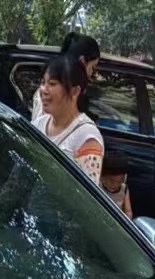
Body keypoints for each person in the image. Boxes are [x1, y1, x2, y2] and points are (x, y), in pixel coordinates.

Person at [32, 52, 103, 182]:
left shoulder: (87, 137)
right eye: (43, 82)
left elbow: (86, 191)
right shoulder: (37, 125)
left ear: (75, 91)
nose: (43, 90)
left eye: (52, 83)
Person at [30, 31, 99, 119]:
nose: (92, 73)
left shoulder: (70, 93)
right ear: (82, 61)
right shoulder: (54, 93)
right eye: (93, 67)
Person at [100, 150, 132, 217]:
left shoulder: (124, 189)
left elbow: (128, 211)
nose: (115, 185)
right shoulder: (99, 187)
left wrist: (128, 217)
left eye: (119, 182)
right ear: (102, 177)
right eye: (111, 181)